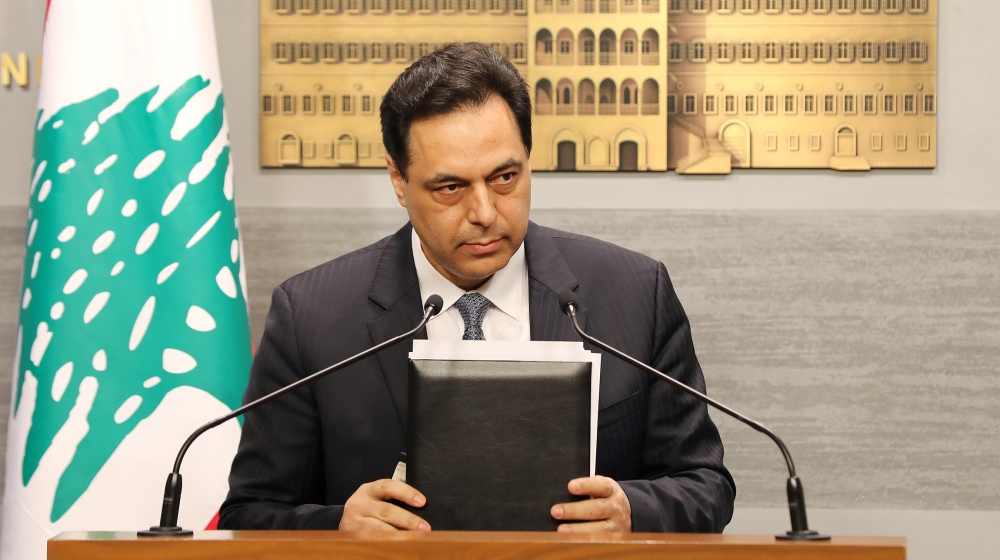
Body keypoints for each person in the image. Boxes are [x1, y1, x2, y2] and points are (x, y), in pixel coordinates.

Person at [220, 42, 734, 533]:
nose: (485, 213)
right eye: (450, 187)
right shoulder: (311, 315)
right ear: (398, 180)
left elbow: (706, 485)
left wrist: (631, 511)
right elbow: (250, 513)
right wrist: (338, 526)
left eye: (505, 178)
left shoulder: (634, 293)